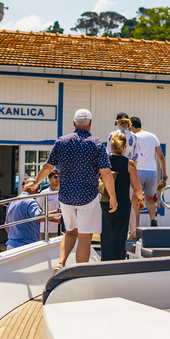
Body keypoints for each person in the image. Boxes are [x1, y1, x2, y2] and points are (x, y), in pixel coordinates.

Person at [32, 109, 117, 270]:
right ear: (90, 123)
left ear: (73, 123)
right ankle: (79, 274)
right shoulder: (97, 144)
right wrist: (112, 196)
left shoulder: (61, 142)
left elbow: (47, 167)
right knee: (84, 238)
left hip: (66, 197)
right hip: (88, 197)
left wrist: (36, 183)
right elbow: (106, 173)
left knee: (70, 232)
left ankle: (60, 264)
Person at [101, 133, 144, 261]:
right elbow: (137, 188)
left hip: (106, 201)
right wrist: (141, 199)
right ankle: (118, 261)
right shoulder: (129, 163)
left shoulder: (105, 160)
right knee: (120, 233)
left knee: (107, 232)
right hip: (123, 203)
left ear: (111, 145)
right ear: (125, 146)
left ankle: (105, 260)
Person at [130, 116, 167, 229]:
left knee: (136, 199)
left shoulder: (134, 137)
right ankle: (153, 219)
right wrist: (164, 173)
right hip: (152, 172)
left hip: (138, 171)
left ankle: (136, 228)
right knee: (150, 198)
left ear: (132, 126)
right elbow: (160, 156)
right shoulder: (153, 136)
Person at [5, 178, 59, 250]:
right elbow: (40, 217)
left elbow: (6, 226)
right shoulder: (30, 201)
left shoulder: (13, 202)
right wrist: (58, 211)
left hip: (11, 244)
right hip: (26, 245)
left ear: (23, 188)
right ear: (36, 189)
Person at [39, 169, 61, 237]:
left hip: (61, 230)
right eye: (55, 177)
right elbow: (39, 213)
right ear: (49, 180)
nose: (58, 179)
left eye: (60, 177)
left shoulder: (63, 193)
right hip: (46, 230)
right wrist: (56, 219)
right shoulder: (44, 193)